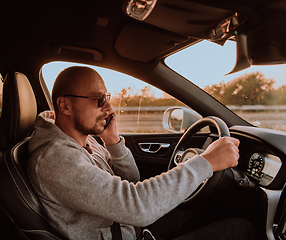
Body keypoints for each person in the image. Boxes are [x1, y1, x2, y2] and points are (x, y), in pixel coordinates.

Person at [27, 66, 257, 240]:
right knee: (242, 229)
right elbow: (138, 206)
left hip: (128, 228)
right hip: (129, 228)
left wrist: (113, 141)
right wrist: (206, 161)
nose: (109, 108)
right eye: (98, 100)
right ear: (65, 106)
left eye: (107, 98)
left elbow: (131, 182)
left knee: (209, 210)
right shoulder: (56, 158)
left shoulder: (83, 141)